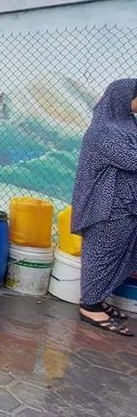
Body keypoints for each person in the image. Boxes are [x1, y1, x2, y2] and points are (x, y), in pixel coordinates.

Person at [72, 79, 137, 337]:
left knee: (120, 252)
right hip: (106, 206)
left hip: (126, 205)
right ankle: (89, 306)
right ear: (123, 98)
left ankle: (98, 299)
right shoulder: (104, 130)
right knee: (103, 254)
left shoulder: (128, 125)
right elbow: (132, 159)